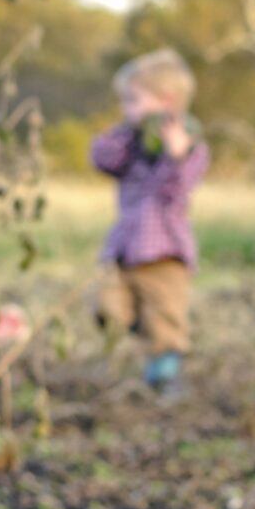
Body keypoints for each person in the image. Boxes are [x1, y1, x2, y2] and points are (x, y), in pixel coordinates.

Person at [91, 48, 209, 393]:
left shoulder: (191, 148)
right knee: (106, 306)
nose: (124, 108)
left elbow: (175, 192)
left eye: (132, 100)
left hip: (164, 252)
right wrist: (129, 129)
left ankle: (167, 375)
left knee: (166, 319)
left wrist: (175, 156)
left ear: (167, 100)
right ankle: (136, 326)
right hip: (126, 247)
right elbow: (102, 159)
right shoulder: (130, 144)